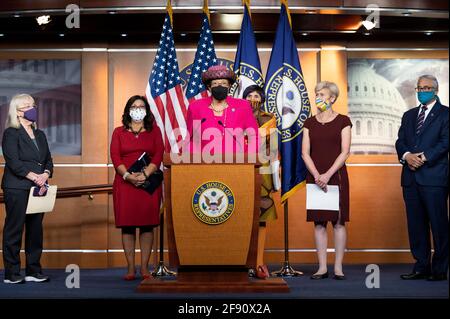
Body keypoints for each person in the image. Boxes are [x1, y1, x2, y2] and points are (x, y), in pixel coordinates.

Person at [395, 75, 449, 282]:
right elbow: (400, 141)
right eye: (419, 87)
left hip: (434, 177)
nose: (422, 90)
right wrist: (407, 156)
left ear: (436, 90)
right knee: (416, 225)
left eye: (427, 87)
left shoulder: (446, 114)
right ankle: (421, 266)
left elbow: (445, 142)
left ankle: (440, 269)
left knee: (438, 224)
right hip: (410, 178)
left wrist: (423, 158)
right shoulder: (408, 115)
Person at [302, 81, 352, 280]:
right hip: (315, 177)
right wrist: (316, 175)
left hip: (336, 176)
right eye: (316, 93)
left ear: (332, 98)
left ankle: (338, 267)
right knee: (319, 223)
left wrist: (327, 175)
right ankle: (322, 267)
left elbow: (345, 152)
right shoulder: (309, 123)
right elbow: (305, 153)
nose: (318, 97)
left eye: (322, 94)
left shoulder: (343, 121)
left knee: (338, 223)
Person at [110, 95, 164, 281]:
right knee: (128, 226)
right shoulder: (118, 132)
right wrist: (128, 176)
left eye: (141, 106)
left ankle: (145, 268)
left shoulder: (154, 131)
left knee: (147, 226)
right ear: (128, 110)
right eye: (134, 106)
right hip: (125, 183)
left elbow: (158, 154)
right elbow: (115, 156)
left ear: (147, 111)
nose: (138, 109)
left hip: (148, 183)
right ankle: (131, 268)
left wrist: (145, 174)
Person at [1, 94, 53, 284]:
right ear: (17, 111)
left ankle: (33, 270)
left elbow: (48, 159)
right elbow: (13, 162)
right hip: (17, 187)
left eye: (33, 105)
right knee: (14, 230)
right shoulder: (11, 133)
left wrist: (45, 175)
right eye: (27, 106)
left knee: (35, 230)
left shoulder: (40, 134)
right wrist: (34, 177)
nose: (32, 109)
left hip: (38, 188)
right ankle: (12, 273)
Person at [243, 85, 278, 279]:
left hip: (262, 172)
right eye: (249, 95)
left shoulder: (268, 119)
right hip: (239, 170)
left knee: (261, 216)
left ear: (262, 99)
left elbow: (272, 150)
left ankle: (258, 263)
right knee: (241, 216)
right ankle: (242, 262)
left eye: (256, 95)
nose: (253, 98)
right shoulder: (236, 116)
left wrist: (273, 178)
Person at [185, 65, 259, 156]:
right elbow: (191, 140)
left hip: (238, 164)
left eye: (224, 83)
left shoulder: (242, 106)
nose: (219, 86)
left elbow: (254, 137)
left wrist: (247, 159)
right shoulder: (196, 107)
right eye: (215, 84)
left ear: (229, 86)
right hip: (203, 164)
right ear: (209, 87)